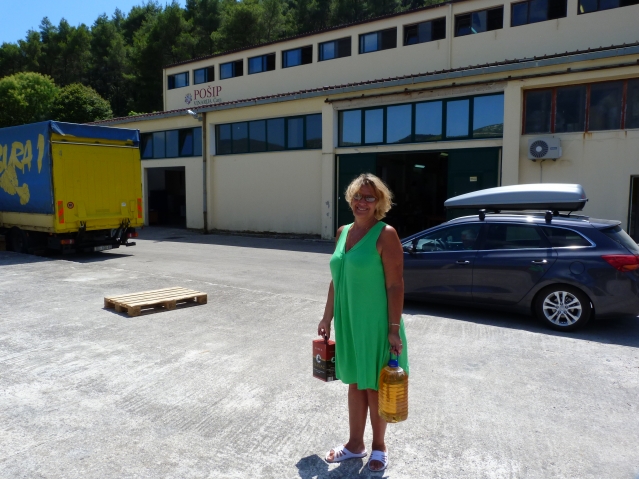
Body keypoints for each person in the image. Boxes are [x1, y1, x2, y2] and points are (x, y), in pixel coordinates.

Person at [317, 173, 409, 472]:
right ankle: (355, 444)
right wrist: (327, 316)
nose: (362, 202)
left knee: (374, 386)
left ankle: (379, 447)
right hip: (348, 320)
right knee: (355, 383)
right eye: (357, 196)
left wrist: (393, 329)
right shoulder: (343, 232)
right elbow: (337, 279)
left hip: (376, 322)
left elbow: (395, 285)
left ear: (379, 202)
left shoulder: (386, 234)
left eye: (369, 197)